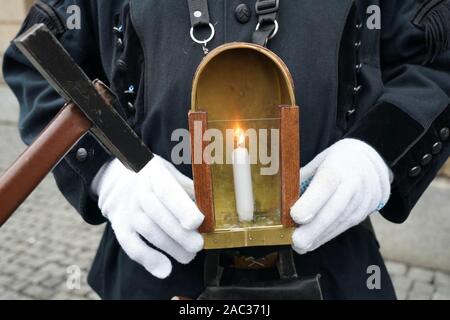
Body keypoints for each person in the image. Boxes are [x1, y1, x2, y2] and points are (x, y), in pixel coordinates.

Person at [3, 0, 450, 300]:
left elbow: (438, 56)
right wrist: (109, 173)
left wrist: (376, 155)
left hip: (333, 271)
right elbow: (41, 60)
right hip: (155, 273)